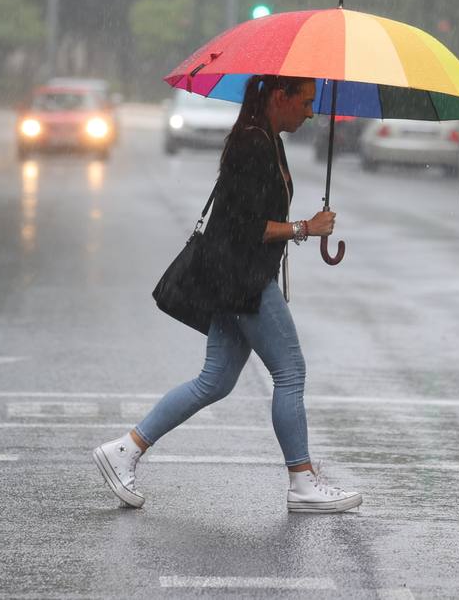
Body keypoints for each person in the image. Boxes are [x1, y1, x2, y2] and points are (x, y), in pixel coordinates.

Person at [93, 75, 362, 513]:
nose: (311, 111)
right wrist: (304, 229)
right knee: (291, 372)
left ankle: (125, 449)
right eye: (306, 101)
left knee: (214, 380)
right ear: (281, 96)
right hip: (243, 281)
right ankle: (302, 481)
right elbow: (244, 227)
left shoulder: (263, 138)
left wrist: (301, 227)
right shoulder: (253, 145)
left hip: (231, 278)